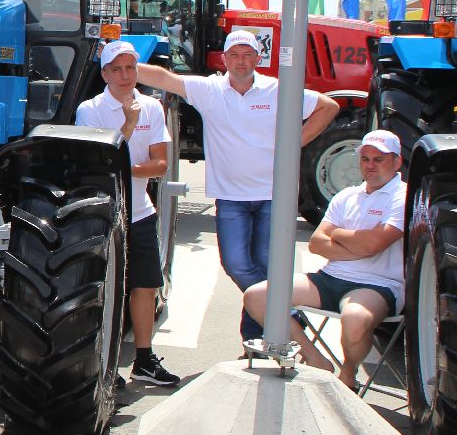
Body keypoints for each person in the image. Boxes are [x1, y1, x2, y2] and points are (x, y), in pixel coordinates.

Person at [134, 29, 340, 342]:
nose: (241, 61)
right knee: (236, 265)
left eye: (247, 55)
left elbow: (328, 106)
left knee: (265, 270)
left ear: (258, 58)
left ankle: (254, 340)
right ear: (225, 58)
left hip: (275, 195)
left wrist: (294, 143)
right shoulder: (210, 90)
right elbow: (164, 79)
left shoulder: (277, 90)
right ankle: (287, 314)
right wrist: (122, 58)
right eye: (234, 55)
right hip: (231, 197)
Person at [241, 129, 405, 387]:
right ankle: (316, 359)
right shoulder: (346, 195)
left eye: (379, 159)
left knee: (355, 320)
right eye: (365, 159)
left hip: (378, 283)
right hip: (331, 277)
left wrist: (338, 234)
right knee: (257, 296)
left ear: (397, 162)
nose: (370, 165)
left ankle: (348, 375)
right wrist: (360, 246)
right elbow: (317, 243)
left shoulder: (403, 196)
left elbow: (376, 243)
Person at [76, 39, 181, 387]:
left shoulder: (152, 107)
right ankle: (103, 359)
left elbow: (161, 164)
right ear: (105, 74)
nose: (125, 75)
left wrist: (129, 168)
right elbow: (96, 164)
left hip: (139, 211)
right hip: (104, 215)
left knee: (146, 285)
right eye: (117, 69)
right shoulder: (90, 110)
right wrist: (129, 125)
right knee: (105, 287)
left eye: (130, 68)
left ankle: (145, 359)